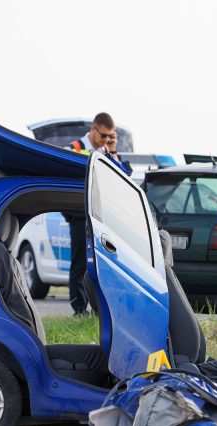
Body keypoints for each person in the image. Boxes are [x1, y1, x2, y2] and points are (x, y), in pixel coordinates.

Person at [63, 113, 131, 315]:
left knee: (99, 262)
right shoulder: (73, 149)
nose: (106, 140)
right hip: (77, 213)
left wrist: (112, 150)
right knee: (79, 263)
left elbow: (121, 175)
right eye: (103, 136)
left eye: (111, 136)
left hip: (99, 214)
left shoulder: (106, 151)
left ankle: (98, 309)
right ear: (93, 130)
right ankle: (79, 309)